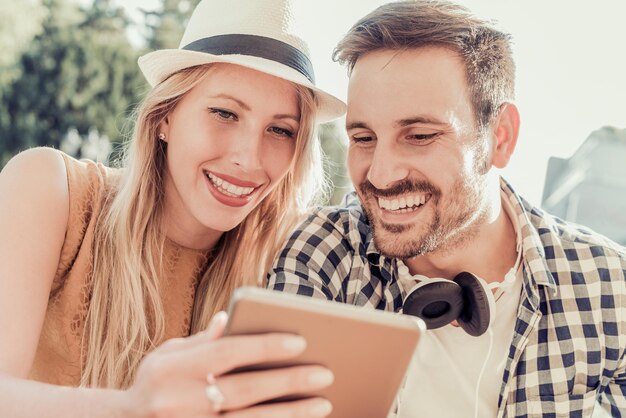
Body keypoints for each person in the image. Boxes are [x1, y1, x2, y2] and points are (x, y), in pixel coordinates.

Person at [267, 1, 626, 417]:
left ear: (501, 138)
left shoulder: (611, 289)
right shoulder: (321, 251)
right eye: (364, 138)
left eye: (419, 135)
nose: (381, 176)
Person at [0, 0, 346, 416]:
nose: (249, 159)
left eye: (280, 129)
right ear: (165, 116)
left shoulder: (290, 265)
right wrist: (130, 408)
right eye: (224, 113)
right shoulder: (52, 191)